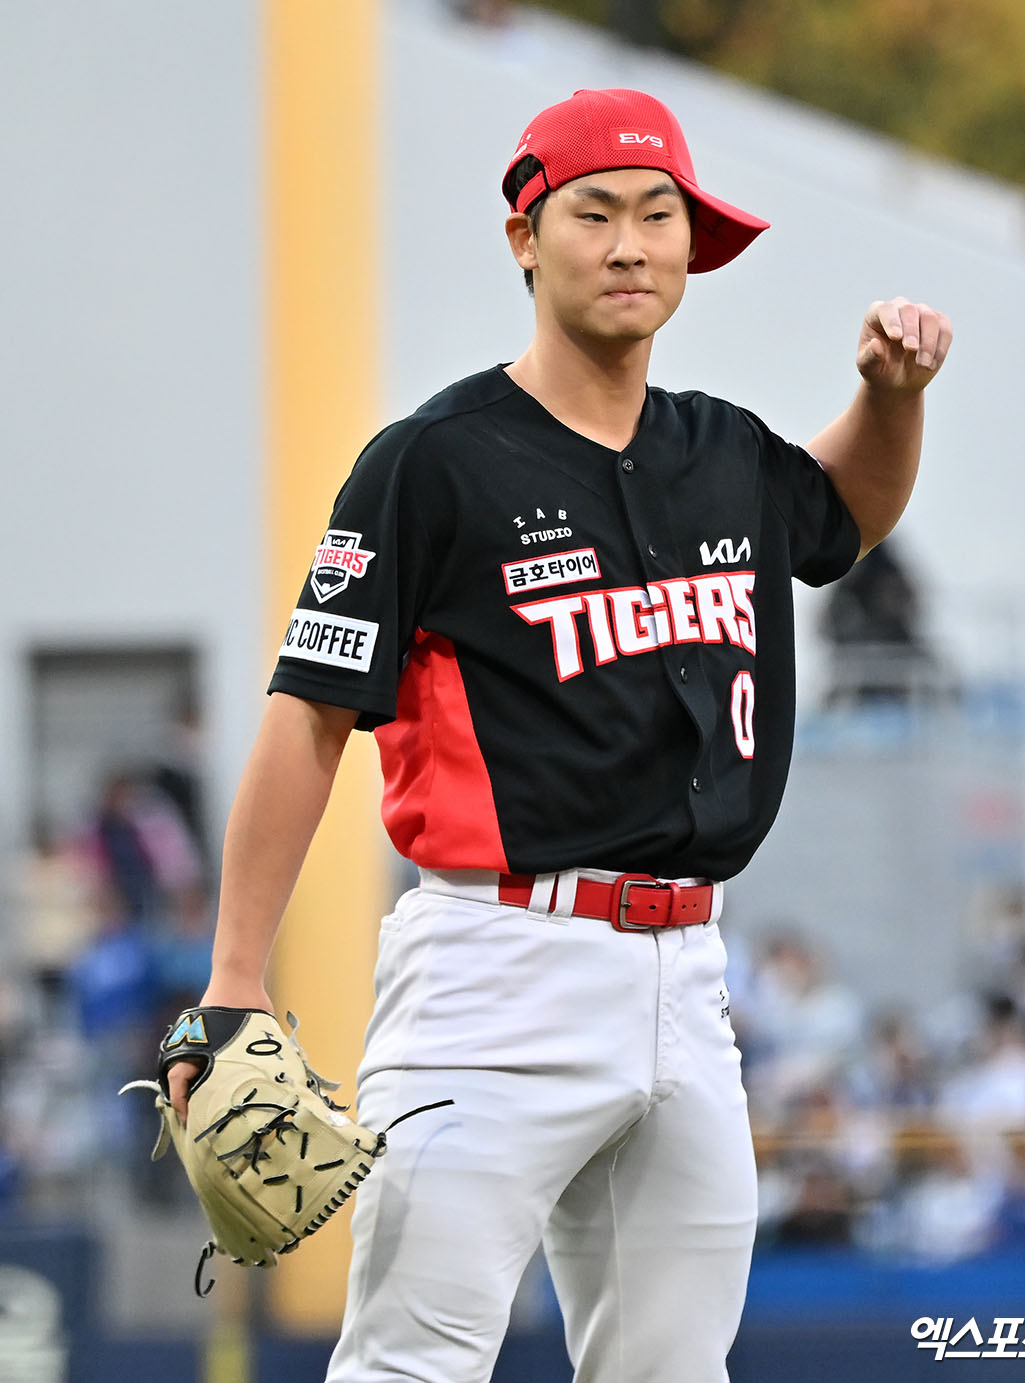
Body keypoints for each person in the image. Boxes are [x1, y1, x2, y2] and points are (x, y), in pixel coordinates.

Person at [167, 87, 952, 1383]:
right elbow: (309, 718)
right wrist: (236, 979)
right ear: (527, 237)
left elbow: (842, 521)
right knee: (414, 1364)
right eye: (595, 213)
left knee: (671, 1371)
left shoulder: (724, 453)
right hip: (494, 964)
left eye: (662, 216)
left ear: (694, 248)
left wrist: (890, 398)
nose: (633, 243)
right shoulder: (432, 463)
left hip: (690, 976)